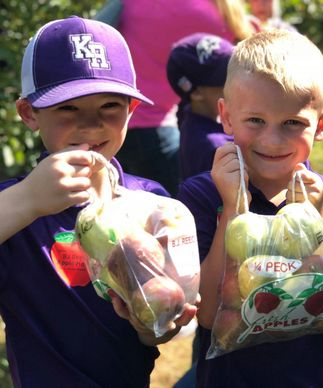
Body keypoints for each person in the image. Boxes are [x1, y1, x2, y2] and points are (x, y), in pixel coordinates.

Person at [0, 16, 198, 387]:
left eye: (109, 106)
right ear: (29, 114)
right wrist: (28, 200)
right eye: (68, 108)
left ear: (132, 111)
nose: (91, 125)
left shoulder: (151, 204)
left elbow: (156, 331)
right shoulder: (14, 209)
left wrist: (153, 326)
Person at [177, 30, 323, 387]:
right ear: (227, 117)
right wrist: (233, 210)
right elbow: (206, 314)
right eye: (255, 121)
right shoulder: (202, 196)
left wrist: (320, 219)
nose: (272, 140)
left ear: (321, 124)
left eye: (292, 123)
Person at [115, 0, 255, 197]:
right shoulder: (209, 11)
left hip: (117, 115)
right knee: (173, 210)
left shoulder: (137, 4)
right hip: (153, 126)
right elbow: (243, 52)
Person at [167, 33, 234, 180]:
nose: (239, 82)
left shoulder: (191, 115)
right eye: (228, 79)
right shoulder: (215, 147)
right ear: (196, 93)